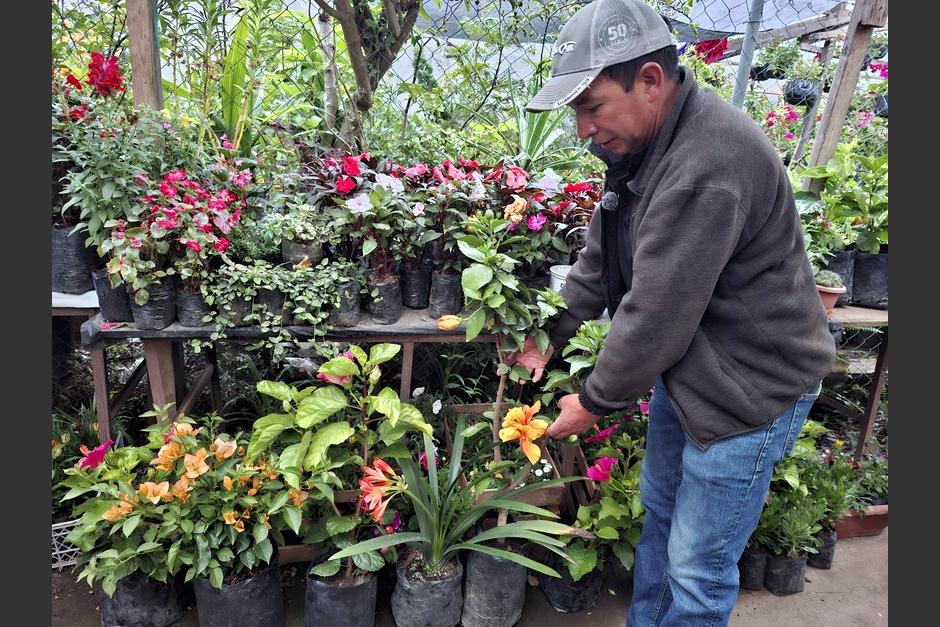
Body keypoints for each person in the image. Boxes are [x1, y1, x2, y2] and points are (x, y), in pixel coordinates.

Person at [516, 0, 837, 625]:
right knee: (660, 524)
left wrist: (594, 401)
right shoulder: (643, 145)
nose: (583, 128)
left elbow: (657, 312)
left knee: (698, 565)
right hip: (694, 372)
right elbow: (600, 259)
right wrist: (548, 333)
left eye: (590, 106)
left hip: (752, 386)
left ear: (650, 81)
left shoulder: (706, 164)